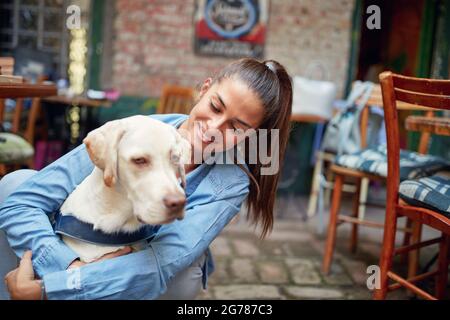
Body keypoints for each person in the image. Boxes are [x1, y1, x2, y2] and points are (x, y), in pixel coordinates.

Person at [0, 58, 292, 300]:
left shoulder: (230, 181)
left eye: (236, 127)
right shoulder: (137, 131)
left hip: (151, 264)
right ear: (204, 89)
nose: (214, 128)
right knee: (16, 182)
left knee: (184, 275)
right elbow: (22, 203)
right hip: (84, 240)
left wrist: (49, 290)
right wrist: (68, 266)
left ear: (252, 135)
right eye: (216, 107)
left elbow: (161, 263)